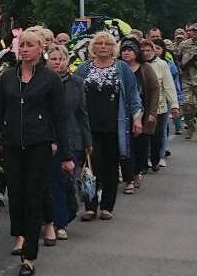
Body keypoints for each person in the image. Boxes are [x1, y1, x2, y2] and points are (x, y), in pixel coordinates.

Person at [0, 30, 72, 276]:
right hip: (13, 143)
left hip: (39, 144)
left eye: (30, 45)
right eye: (22, 45)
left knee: (34, 194)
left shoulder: (50, 79)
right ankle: (19, 235)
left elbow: (59, 119)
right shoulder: (7, 78)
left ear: (40, 50)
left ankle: (29, 257)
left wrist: (66, 155)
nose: (25, 49)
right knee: (16, 194)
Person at [75, 32, 143, 221]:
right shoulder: (83, 69)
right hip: (90, 125)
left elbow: (133, 95)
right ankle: (90, 206)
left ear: (114, 47)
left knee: (111, 166)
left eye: (107, 43)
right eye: (99, 43)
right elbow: (73, 94)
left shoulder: (122, 69)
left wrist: (137, 119)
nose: (103, 47)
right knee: (92, 164)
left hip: (115, 124)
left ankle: (107, 206)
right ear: (93, 47)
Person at [45, 45, 90, 240]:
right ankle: (55, 221)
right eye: (53, 59)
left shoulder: (77, 83)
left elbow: (82, 113)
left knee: (67, 182)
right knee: (52, 182)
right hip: (47, 140)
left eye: (61, 59)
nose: (57, 62)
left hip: (72, 139)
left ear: (67, 61)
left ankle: (63, 218)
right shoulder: (42, 83)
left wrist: (88, 141)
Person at [118, 39, 159, 194]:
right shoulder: (118, 67)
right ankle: (128, 175)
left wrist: (152, 113)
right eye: (124, 50)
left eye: (130, 50)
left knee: (140, 146)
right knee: (125, 148)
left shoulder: (145, 68)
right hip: (122, 114)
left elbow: (155, 90)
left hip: (142, 113)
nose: (126, 53)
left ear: (136, 53)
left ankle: (137, 172)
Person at [141, 37, 179, 168]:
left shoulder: (162, 64)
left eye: (148, 50)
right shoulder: (137, 64)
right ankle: (144, 161)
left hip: (160, 106)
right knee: (143, 136)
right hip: (142, 107)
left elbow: (169, 86)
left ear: (153, 51)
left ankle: (157, 157)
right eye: (143, 50)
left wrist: (174, 105)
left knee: (157, 135)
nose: (146, 53)